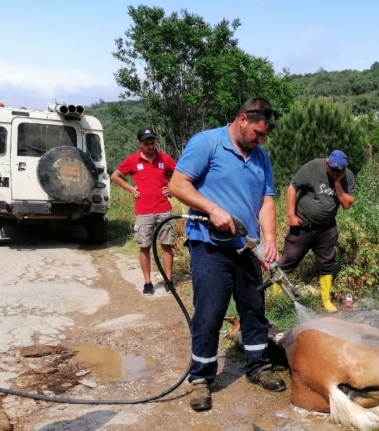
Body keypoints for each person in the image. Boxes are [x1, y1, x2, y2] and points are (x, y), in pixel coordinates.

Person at [168, 97, 284, 412]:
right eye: (258, 133)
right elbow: (178, 184)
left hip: (247, 247)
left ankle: (258, 366)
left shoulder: (261, 158)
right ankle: (201, 379)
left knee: (254, 308)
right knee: (210, 312)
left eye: (264, 137)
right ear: (243, 119)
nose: (260, 140)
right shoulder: (208, 143)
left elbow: (267, 201)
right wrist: (212, 208)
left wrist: (270, 238)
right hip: (209, 246)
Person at [274, 150, 356, 312]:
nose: (334, 174)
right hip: (303, 225)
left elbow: (346, 204)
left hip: (327, 228)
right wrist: (291, 215)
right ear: (327, 163)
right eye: (332, 171)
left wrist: (338, 183)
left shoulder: (347, 176)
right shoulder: (312, 167)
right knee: (289, 260)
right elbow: (292, 188)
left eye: (338, 172)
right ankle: (275, 298)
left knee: (327, 263)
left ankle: (326, 301)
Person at [111, 127, 177, 296]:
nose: (150, 146)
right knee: (144, 246)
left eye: (152, 142)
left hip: (163, 209)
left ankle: (168, 280)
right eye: (146, 143)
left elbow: (180, 174)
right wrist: (131, 189)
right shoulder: (132, 161)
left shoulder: (165, 158)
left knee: (167, 245)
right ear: (139, 144)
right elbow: (115, 176)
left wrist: (171, 188)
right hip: (144, 211)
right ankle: (148, 282)